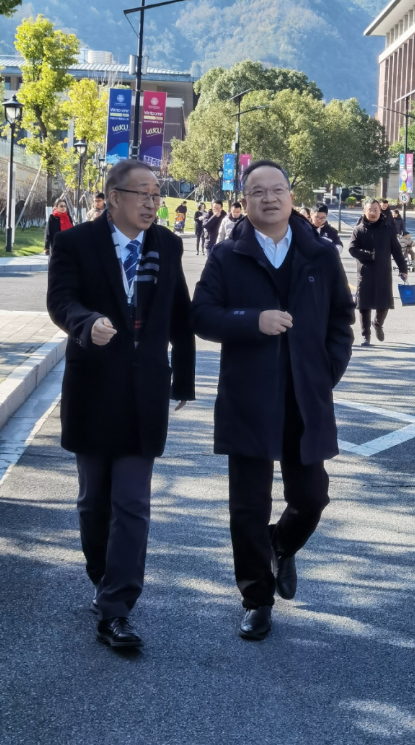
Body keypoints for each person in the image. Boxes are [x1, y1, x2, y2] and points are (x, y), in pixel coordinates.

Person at [192, 160, 355, 642]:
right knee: (247, 506)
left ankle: (279, 544)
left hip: (306, 397)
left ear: (290, 196)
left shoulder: (319, 254)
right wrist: (251, 320)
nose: (269, 198)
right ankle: (256, 600)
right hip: (249, 397)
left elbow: (341, 320)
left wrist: (326, 372)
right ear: (244, 201)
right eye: (257, 191)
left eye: (277, 189)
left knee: (311, 497)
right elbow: (202, 314)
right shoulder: (227, 255)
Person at [46, 160, 196, 649]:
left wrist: (184, 381)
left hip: (146, 392)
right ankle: (102, 577)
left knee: (132, 502)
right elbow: (60, 300)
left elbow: (180, 313)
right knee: (94, 503)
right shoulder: (76, 244)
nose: (153, 203)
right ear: (112, 197)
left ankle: (116, 609)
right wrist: (86, 323)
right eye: (143, 194)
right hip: (93, 388)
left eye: (157, 195)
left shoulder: (167, 245)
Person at [349, 198, 408, 346]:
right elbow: (352, 249)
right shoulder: (359, 230)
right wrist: (369, 255)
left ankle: (378, 323)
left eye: (376, 210)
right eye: (370, 210)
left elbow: (396, 251)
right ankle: (365, 336)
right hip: (365, 272)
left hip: (383, 272)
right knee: (364, 305)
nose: (373, 213)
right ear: (364, 211)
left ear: (380, 210)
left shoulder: (387, 229)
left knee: (384, 303)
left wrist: (403, 268)